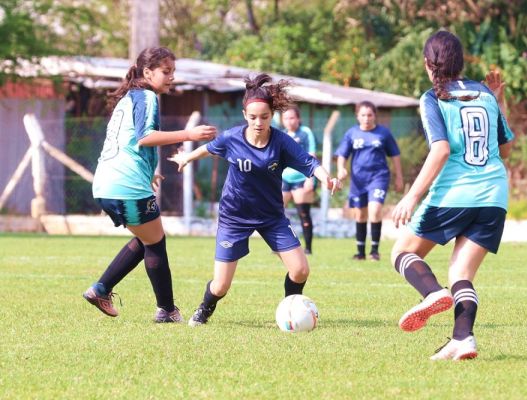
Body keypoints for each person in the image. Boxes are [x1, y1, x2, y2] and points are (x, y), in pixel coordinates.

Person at [168, 73, 342, 327]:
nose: (258, 122)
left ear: (273, 115)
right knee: (221, 285)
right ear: (244, 115)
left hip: (271, 216)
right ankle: (204, 309)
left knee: (300, 269)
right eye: (252, 117)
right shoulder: (232, 138)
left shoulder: (281, 142)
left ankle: (291, 313)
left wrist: (326, 178)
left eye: (264, 117)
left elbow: (309, 162)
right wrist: (186, 158)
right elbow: (210, 147)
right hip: (235, 216)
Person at [389, 30, 514, 360]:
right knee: (462, 274)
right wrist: (497, 102)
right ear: (461, 62)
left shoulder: (433, 97)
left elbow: (441, 150)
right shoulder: (486, 93)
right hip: (494, 196)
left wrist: (411, 196)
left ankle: (431, 294)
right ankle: (462, 339)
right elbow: (506, 149)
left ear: (428, 64)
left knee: (402, 253)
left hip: (455, 194)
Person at [82, 47, 217, 323]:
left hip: (106, 183)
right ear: (147, 72)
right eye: (166, 72)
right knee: (155, 242)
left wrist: (148, 174)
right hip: (126, 184)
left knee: (147, 238)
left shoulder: (127, 99)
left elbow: (126, 143)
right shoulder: (147, 96)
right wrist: (189, 134)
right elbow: (145, 137)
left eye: (173, 72)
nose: (171, 78)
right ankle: (166, 310)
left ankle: (101, 289)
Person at [335, 101, 404, 261]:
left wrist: (399, 176)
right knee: (360, 215)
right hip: (359, 181)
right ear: (357, 116)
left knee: (374, 211)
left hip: (378, 178)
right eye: (363, 115)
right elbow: (342, 155)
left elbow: (395, 155)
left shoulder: (383, 133)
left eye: (370, 115)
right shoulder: (351, 133)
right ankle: (360, 252)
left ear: (375, 116)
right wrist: (341, 169)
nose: (367, 118)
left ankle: (374, 251)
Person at [281, 106, 317, 254]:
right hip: (284, 178)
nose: (289, 121)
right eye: (286, 118)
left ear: (298, 119)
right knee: (276, 213)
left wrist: (311, 179)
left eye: (292, 118)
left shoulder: (305, 132)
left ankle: (308, 248)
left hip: (301, 178)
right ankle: (281, 245)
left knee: (303, 213)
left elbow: (312, 156)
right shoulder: (281, 135)